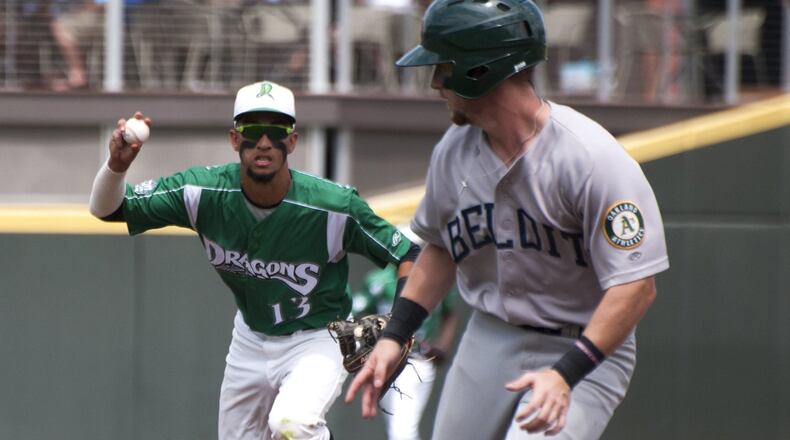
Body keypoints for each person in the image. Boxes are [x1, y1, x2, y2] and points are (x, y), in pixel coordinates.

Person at [346, 1, 669, 439]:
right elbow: (441, 249)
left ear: (479, 70)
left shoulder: (590, 157)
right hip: (490, 336)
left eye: (442, 66)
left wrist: (565, 373)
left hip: (584, 345)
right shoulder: (453, 150)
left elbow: (636, 286)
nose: (435, 82)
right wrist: (394, 336)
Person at [89, 80, 420, 440]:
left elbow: (410, 254)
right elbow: (108, 210)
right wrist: (116, 166)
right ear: (235, 139)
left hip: (315, 337)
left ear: (291, 141)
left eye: (275, 131)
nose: (264, 142)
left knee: (291, 424)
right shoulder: (203, 192)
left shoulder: (332, 207)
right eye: (253, 129)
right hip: (250, 337)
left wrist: (399, 330)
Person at [351, 235, 457, 440]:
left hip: (420, 359)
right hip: (390, 359)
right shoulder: (379, 280)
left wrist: (443, 345)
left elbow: (449, 312)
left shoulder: (434, 277)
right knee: (400, 427)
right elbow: (356, 315)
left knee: (402, 429)